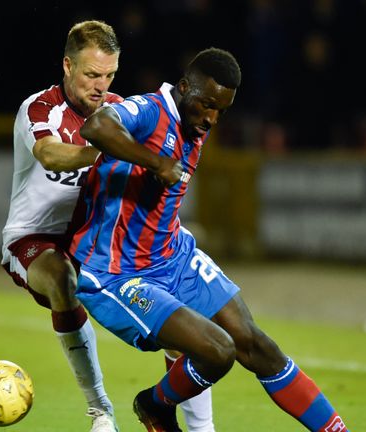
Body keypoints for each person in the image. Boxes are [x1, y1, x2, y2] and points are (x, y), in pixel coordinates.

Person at [69, 47, 350, 431]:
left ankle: (337, 430)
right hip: (118, 273)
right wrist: (153, 161)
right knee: (218, 351)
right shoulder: (152, 110)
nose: (211, 118)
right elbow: (96, 127)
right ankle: (154, 405)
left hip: (173, 255)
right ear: (184, 88)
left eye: (221, 110)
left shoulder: (194, 122)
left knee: (257, 345)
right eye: (205, 105)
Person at [1, 19, 217, 432]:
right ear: (67, 66)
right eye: (91, 74)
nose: (100, 85)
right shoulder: (40, 109)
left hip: (99, 244)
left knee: (181, 325)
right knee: (61, 279)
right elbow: (51, 155)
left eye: (109, 75)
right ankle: (100, 411)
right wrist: (116, 155)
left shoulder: (119, 111)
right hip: (35, 239)